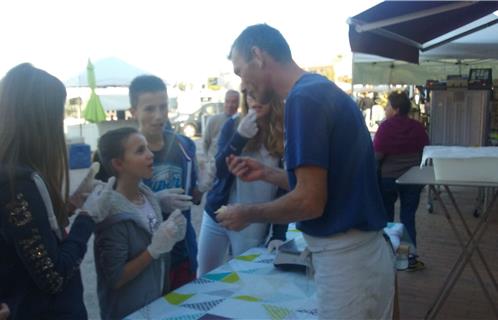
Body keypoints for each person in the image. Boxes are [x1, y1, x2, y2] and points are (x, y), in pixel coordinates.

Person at [216, 24, 395, 319]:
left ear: (257, 55)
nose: (243, 86)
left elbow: (310, 202)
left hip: (346, 262)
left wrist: (246, 213)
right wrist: (266, 173)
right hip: (362, 256)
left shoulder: (303, 99)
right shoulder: (317, 89)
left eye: (239, 72)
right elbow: (324, 184)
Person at [0, 63, 108, 319]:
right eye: (58, 115)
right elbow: (53, 276)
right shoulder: (18, 182)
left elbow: (25, 238)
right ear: (40, 121)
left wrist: (69, 207)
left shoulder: (11, 172)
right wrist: (87, 218)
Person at [93, 127, 186, 319]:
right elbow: (115, 278)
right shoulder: (111, 213)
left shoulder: (148, 196)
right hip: (129, 312)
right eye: (140, 151)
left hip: (155, 304)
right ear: (118, 163)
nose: (151, 155)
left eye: (148, 148)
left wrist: (171, 234)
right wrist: (153, 251)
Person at [197, 89, 288, 275]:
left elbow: (285, 185)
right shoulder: (233, 124)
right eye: (250, 94)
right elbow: (219, 171)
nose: (256, 101)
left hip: (253, 219)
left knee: (246, 275)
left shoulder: (284, 130)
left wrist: (279, 233)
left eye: (263, 95)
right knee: (204, 273)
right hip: (218, 213)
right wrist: (239, 137)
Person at [129, 75, 202, 290]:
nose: (159, 116)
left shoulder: (185, 146)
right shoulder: (123, 151)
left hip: (182, 251)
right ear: (134, 112)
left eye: (163, 107)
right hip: (145, 253)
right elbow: (114, 208)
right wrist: (154, 203)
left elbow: (194, 199)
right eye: (149, 109)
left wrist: (203, 187)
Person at [373, 90, 429, 271]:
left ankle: (389, 255)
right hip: (413, 179)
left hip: (388, 179)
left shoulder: (386, 128)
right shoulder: (418, 127)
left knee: (387, 218)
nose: (385, 108)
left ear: (396, 109)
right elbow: (425, 152)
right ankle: (409, 257)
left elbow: (377, 156)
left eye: (388, 105)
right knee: (408, 218)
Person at [202, 89, 240, 161]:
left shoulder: (242, 123)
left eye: (233, 102)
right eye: (227, 101)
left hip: (235, 165)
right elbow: (205, 142)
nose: (230, 105)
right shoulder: (213, 120)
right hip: (216, 164)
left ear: (238, 104)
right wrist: (208, 160)